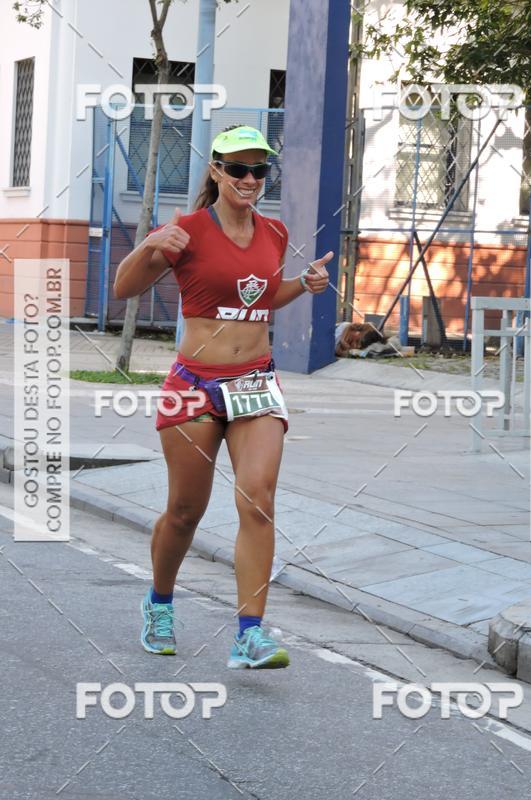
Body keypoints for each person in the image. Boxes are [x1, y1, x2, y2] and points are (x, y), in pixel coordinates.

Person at [113, 125, 333, 669]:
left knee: (258, 497)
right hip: (193, 385)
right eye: (238, 168)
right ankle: (159, 602)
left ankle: (250, 634)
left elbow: (259, 299)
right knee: (185, 511)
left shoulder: (274, 232)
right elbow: (124, 288)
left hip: (255, 382)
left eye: (259, 169)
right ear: (216, 171)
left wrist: (302, 284)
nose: (250, 179)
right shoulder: (185, 230)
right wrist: (150, 244)